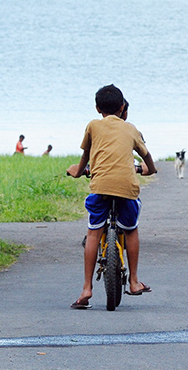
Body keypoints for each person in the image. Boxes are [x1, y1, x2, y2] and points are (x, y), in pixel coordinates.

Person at [66, 84, 158, 309]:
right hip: (127, 189)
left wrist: (76, 172)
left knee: (93, 233)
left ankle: (87, 288)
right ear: (122, 107)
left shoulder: (92, 126)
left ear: (98, 108)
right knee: (131, 229)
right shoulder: (131, 129)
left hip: (100, 188)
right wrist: (149, 170)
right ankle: (134, 281)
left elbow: (85, 158)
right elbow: (148, 161)